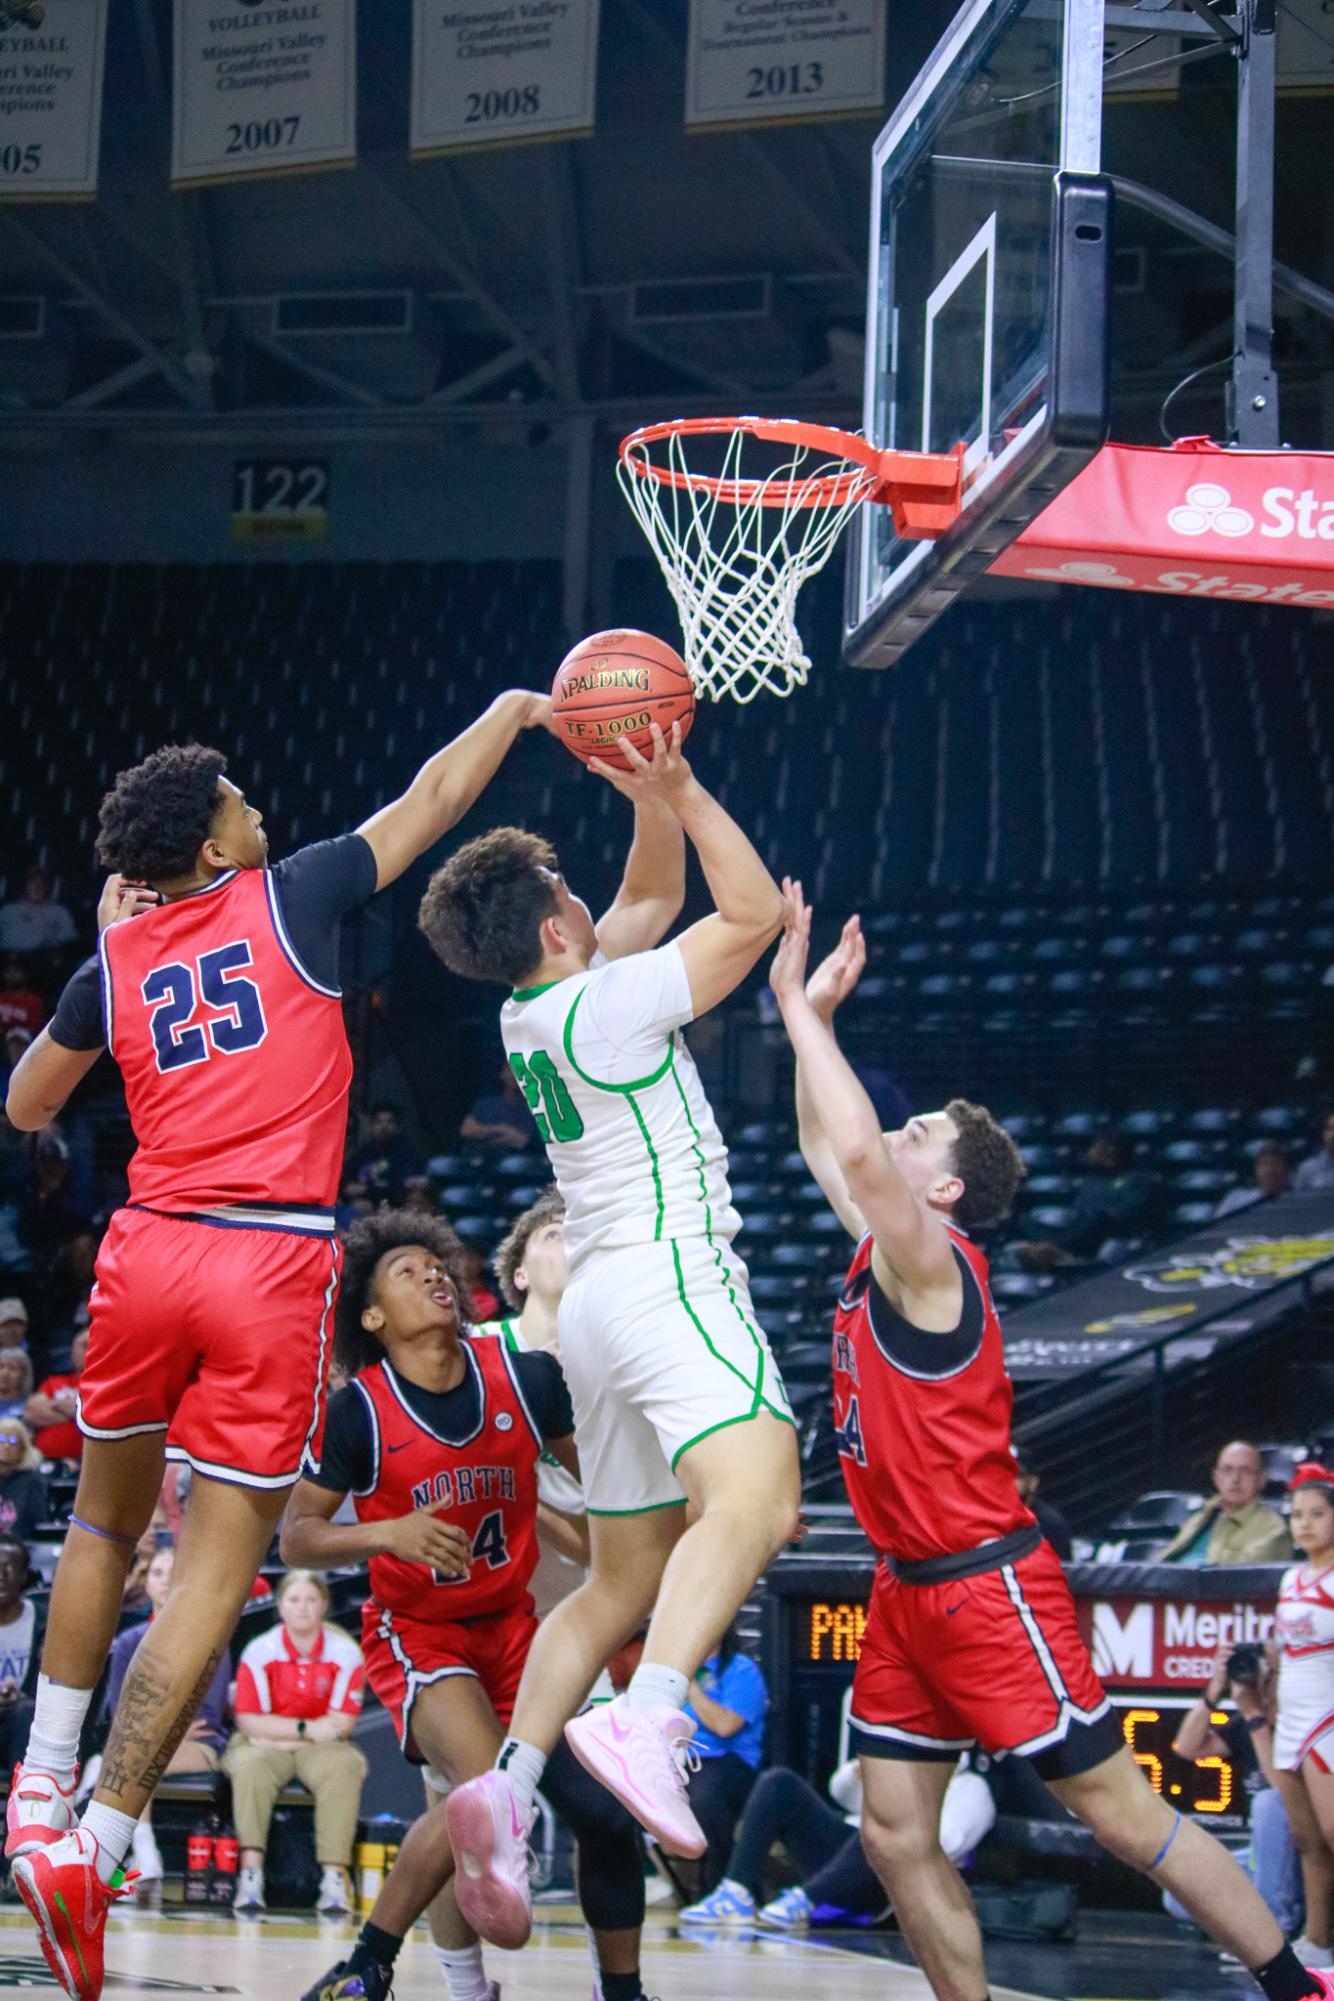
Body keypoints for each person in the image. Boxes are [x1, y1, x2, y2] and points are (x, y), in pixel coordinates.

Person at [2, 689, 553, 2001]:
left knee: (93, 1528)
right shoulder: (294, 893)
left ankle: (39, 1791)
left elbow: (26, 1103)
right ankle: (107, 1833)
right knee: (213, 1563)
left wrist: (106, 964)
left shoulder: (115, 958)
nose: (260, 808)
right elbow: (429, 803)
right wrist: (516, 710)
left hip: (145, 1247)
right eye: (239, 799)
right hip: (266, 1258)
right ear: (209, 845)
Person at [769, 885, 1334, 2001]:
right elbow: (821, 1145)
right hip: (905, 1588)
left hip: (985, 1585)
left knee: (1117, 1812)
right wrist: (814, 1031)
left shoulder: (931, 1263)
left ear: (942, 1189)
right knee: (890, 1833)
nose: (896, 1129)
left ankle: (1291, 1986)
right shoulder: (889, 1246)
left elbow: (851, 1151)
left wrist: (794, 1002)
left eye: (917, 1130)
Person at [422, 723, 799, 1951]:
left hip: (593, 1307)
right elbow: (739, 917)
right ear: (550, 928)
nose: (596, 903)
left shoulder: (538, 1013)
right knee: (757, 1498)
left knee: (617, 1579)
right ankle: (651, 1712)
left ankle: (507, 1788)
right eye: (569, 900)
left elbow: (650, 893)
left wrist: (646, 795)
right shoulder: (602, 1005)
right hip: (665, 1274)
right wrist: (685, 786)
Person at [282, 1211, 653, 2001]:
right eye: (406, 1271)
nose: (432, 1275)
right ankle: (367, 1966)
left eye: (436, 1264)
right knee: (488, 1796)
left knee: (611, 1816)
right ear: (372, 1317)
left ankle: (622, 1993)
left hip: (518, 1628)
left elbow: (606, 1487)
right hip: (420, 1631)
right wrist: (390, 1531)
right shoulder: (361, 1410)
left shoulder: (524, 1375)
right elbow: (299, 1538)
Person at [681, 1755, 994, 1930]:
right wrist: (861, 1770)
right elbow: (842, 1795)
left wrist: (902, 1809)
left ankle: (805, 1899)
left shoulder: (972, 1789)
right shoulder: (901, 1771)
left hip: (891, 1881)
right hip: (845, 1854)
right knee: (778, 1783)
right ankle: (737, 1891)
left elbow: (944, 1843)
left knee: (882, 1832)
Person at [223, 1569, 366, 1918]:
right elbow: (248, 1721)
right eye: (294, 1599)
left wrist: (279, 1731)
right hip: (273, 1745)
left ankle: (334, 1880)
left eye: (311, 1600)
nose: (302, 1608)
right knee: (251, 1765)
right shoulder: (261, 1650)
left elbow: (342, 1724)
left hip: (317, 1748)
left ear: (324, 1606)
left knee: (344, 1766)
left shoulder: (345, 1652)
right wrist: (307, 1728)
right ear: (281, 1607)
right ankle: (251, 1875)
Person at [103, 1545, 231, 1897]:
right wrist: (166, 1725)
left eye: (173, 1572)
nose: (165, 1581)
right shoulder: (127, 1642)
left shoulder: (211, 1637)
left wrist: (155, 1725)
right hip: (141, 1743)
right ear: (146, 1582)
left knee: (129, 1761)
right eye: (157, 1573)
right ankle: (142, 1850)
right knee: (129, 1758)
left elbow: (208, 1715)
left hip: (200, 1745)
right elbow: (120, 1712)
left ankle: (131, 1855)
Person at [1167, 1643, 1301, 1941]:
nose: (1259, 1678)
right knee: (1178, 1892)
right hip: (1260, 1859)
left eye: (1269, 1669)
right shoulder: (1248, 1723)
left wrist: (1255, 1715)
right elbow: (1187, 1747)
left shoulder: (1301, 1722)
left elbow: (1281, 1790)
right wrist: (1214, 1691)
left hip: (1303, 1858)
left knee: (1269, 1803)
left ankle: (1273, 1932)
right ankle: (1250, 1920)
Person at [1272, 1464, 1334, 1970]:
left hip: (1328, 1720)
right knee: (1306, 1840)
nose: (1305, 1524)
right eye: (1296, 1515)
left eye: (1317, 1514)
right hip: (1291, 1718)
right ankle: (1317, 1940)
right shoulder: (1290, 1579)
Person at [680, 1624, 768, 1894]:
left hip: (728, 1761)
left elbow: (725, 1726)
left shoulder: (740, 1669)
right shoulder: (671, 1673)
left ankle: (724, 1887)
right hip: (677, 1759)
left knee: (705, 1799)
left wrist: (692, 1688)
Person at [1160, 1441, 1293, 1565]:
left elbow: (1243, 1582)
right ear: (1216, 1478)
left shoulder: (1273, 1530)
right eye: (1228, 1470)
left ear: (1261, 1480)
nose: (1235, 1479)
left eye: (1245, 1471)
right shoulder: (1198, 1518)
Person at [25, 1329, 88, 1464]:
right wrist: (78, 1410)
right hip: (43, 1462)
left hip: (85, 1464)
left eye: (90, 1346)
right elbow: (31, 1413)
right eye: (82, 1346)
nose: (86, 1351)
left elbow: (99, 1415)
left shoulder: (104, 1386)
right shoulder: (54, 1382)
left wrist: (55, 1404)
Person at [351, 1104, 425, 1207]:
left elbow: (405, 1185)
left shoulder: (409, 1154)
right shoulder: (362, 1154)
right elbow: (350, 1186)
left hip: (399, 1206)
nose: (384, 1127)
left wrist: (368, 1189)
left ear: (398, 1126)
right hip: (369, 1206)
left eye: (390, 1121)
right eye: (378, 1122)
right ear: (371, 1126)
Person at [0, 869, 77, 960]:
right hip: (6, 958)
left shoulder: (58, 911)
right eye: (33, 883)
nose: (37, 887)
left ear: (47, 887)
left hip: (39, 959)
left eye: (42, 883)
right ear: (25, 886)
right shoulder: (8, 910)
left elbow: (70, 936)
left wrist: (50, 940)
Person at [459, 1062, 534, 1153]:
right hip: (482, 1155)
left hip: (519, 1157)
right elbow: (466, 1130)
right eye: (511, 1070)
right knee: (441, 1164)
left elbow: (523, 1141)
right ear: (502, 1074)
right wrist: (501, 1129)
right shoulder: (486, 1104)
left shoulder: (535, 1108)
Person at [1014, 1455, 1073, 1562]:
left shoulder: (1050, 1524)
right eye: (1002, 1474)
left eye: (1016, 1475)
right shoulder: (985, 1518)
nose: (1007, 1481)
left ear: (1032, 1482)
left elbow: (1062, 1571)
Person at [0, 1418, 48, 1544]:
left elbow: (37, 1523)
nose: (6, 1446)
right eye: (2, 1440)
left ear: (23, 1449)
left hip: (19, 1547)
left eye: (13, 1441)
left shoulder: (32, 1481)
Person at [1217, 1143, 1293, 1218]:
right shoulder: (1236, 1199)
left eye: (1276, 1164)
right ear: (1256, 1169)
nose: (1270, 1170)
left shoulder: (1299, 1202)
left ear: (1287, 1170)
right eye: (1266, 1164)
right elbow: (1217, 1228)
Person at [0, 959, 44, 1040]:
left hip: (25, 1041)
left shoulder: (34, 1001)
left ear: (25, 975)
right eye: (8, 972)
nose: (12, 975)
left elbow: (35, 1028)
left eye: (16, 971)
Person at [1295, 1114, 1334, 1194]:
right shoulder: (1307, 1169)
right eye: (1330, 1128)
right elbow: (1298, 1202)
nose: (1333, 1134)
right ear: (1323, 1133)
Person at [0, 1353, 35, 1424]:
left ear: (23, 1376)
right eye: (1, 1367)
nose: (5, 1373)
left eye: (13, 1368)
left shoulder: (28, 1407)